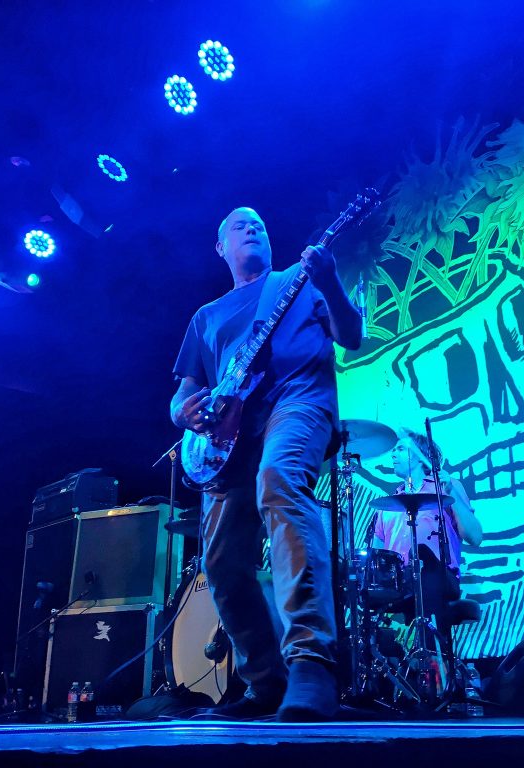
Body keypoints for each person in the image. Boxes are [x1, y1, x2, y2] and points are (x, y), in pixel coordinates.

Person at [170, 207, 362, 721]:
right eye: (238, 224)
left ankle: (312, 664)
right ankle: (264, 681)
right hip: (229, 436)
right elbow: (183, 394)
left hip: (298, 400)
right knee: (221, 561)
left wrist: (332, 282)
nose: (252, 227)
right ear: (220, 247)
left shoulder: (300, 281)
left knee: (277, 482)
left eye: (259, 223)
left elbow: (352, 336)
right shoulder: (205, 317)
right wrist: (184, 413)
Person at [370, 430, 483, 642]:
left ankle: (430, 662)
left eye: (401, 449)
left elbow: (475, 537)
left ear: (421, 457)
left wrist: (452, 492)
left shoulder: (445, 488)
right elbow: (378, 555)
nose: (393, 454)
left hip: (438, 576)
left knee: (426, 569)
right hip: (399, 582)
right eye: (393, 450)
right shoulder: (387, 505)